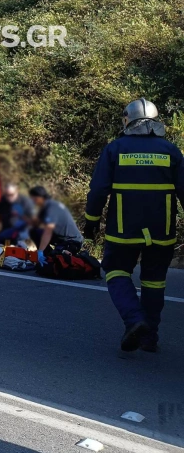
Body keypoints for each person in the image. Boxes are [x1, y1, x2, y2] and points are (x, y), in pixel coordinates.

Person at [83, 98, 184, 353]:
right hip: (162, 232)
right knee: (154, 282)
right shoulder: (171, 151)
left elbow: (98, 191)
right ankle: (150, 338)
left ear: (127, 120)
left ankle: (134, 320)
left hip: (123, 230)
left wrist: (91, 223)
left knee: (116, 272)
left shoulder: (115, 149)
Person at [28, 186, 83, 257]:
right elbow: (36, 224)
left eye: (33, 199)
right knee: (33, 230)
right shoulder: (45, 207)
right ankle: (47, 255)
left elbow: (48, 231)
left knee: (58, 260)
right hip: (59, 239)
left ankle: (48, 255)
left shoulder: (51, 207)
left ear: (39, 197)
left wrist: (40, 251)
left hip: (71, 241)